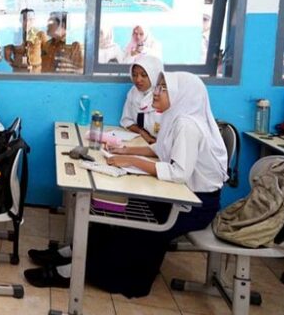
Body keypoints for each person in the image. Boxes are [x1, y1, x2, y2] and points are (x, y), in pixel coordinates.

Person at [25, 71, 227, 297]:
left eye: (163, 88)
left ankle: (77, 271)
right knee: (112, 212)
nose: (156, 92)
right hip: (175, 196)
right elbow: (161, 150)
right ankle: (75, 252)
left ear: (183, 94)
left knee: (129, 228)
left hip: (193, 206)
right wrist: (127, 150)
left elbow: (178, 172)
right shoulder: (176, 117)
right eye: (158, 86)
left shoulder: (188, 126)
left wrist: (131, 160)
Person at [120, 55, 164, 144]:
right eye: (134, 75)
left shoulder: (164, 96)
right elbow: (126, 120)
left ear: (154, 75)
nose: (138, 80)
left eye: (144, 75)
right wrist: (142, 132)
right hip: (142, 142)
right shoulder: (133, 92)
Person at [4, 8, 45, 73]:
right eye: (24, 19)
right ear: (20, 20)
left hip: (36, 70)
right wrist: (16, 64)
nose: (27, 22)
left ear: (34, 20)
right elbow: (7, 55)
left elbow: (46, 52)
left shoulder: (40, 34)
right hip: (19, 70)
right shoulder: (13, 35)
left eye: (30, 19)